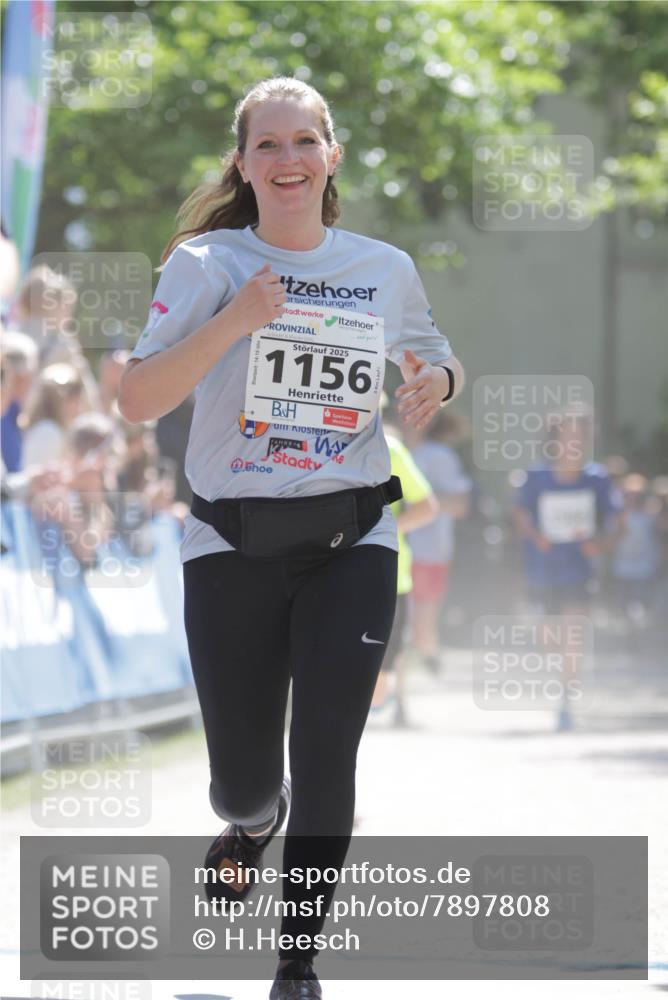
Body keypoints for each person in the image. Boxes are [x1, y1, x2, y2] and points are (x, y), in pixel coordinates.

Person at [118, 76, 463, 999]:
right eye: (266, 145)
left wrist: (437, 382)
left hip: (352, 536)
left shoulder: (382, 266)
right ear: (241, 163)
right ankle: (251, 819)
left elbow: (436, 353)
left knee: (326, 753)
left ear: (331, 155)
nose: (287, 160)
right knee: (242, 783)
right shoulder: (206, 263)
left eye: (304, 141)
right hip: (231, 542)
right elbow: (138, 398)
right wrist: (238, 320)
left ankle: (297, 962)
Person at [512, 408, 624, 731]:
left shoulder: (597, 479)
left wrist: (600, 545)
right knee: (549, 639)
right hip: (543, 571)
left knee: (573, 635)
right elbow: (519, 513)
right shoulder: (537, 477)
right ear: (555, 440)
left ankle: (565, 700)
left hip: (579, 571)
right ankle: (563, 677)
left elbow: (619, 523)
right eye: (567, 435)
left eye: (579, 436)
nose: (573, 442)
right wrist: (535, 536)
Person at [370, 401, 438, 727]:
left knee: (386, 664)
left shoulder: (391, 450)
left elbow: (427, 506)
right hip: (328, 571)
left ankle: (395, 703)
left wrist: (382, 531)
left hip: (389, 574)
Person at [403, 411, 471, 673]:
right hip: (394, 550)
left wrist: (419, 504)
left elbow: (460, 505)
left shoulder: (439, 456)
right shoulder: (388, 447)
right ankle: (399, 688)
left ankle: (430, 658)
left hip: (429, 553)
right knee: (397, 623)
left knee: (421, 625)